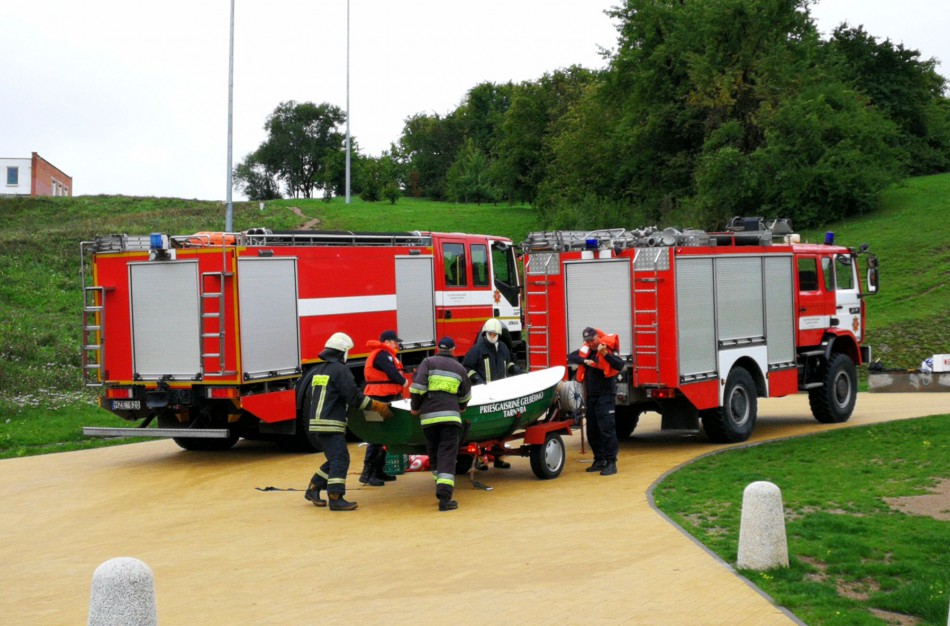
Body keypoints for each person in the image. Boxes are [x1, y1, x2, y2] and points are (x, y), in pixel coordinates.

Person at [304, 332, 392, 511]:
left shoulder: (319, 371)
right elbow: (354, 398)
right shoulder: (340, 370)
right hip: (331, 423)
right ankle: (336, 497)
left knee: (335, 458)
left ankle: (313, 488)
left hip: (316, 423)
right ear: (342, 352)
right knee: (341, 459)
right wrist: (378, 406)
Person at [410, 337, 472, 512]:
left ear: (437, 348)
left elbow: (416, 388)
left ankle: (440, 487)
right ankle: (444, 498)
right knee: (447, 455)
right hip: (450, 418)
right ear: (453, 350)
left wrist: (415, 408)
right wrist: (460, 406)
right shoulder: (459, 368)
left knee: (435, 454)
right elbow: (466, 395)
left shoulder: (427, 362)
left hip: (428, 419)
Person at [462, 318, 521, 469]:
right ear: (485, 333)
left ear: (499, 335)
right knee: (484, 430)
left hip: (500, 392)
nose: (492, 336)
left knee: (500, 428)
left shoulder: (503, 348)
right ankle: (480, 460)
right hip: (483, 394)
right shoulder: (477, 349)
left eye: (495, 334)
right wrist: (475, 378)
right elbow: (467, 367)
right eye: (490, 333)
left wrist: (515, 369)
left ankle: (499, 458)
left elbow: (508, 363)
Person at [567, 327, 625, 476]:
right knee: (592, 430)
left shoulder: (607, 350)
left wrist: (605, 354)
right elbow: (570, 357)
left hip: (605, 395)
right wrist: (584, 361)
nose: (591, 343)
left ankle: (611, 462)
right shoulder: (586, 351)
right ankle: (599, 460)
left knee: (607, 429)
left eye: (592, 340)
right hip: (591, 396)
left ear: (598, 337)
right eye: (587, 341)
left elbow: (619, 365)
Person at [359, 330, 407, 487]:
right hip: (376, 400)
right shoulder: (382, 355)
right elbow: (392, 373)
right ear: (387, 342)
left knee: (385, 435)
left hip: (384, 398)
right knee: (375, 437)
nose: (397, 345)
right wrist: (404, 382)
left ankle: (378, 471)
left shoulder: (385, 355)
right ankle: (367, 474)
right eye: (395, 342)